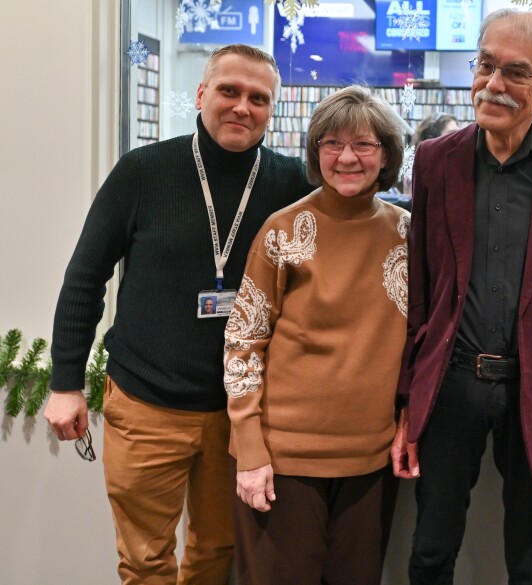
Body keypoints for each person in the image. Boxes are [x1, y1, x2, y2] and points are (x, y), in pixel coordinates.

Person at [44, 44, 312, 584]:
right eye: (229, 91)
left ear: (272, 110)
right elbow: (84, 277)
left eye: (258, 98)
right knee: (145, 559)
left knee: (217, 551)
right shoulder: (142, 172)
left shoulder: (291, 184)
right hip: (147, 405)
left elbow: (358, 224)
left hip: (239, 416)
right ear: (201, 95)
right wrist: (66, 382)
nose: (242, 106)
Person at [392, 8, 532, 584]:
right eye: (485, 66)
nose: (492, 85)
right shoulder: (436, 161)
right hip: (449, 388)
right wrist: (406, 405)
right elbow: (419, 294)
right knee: (429, 551)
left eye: (514, 72)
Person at [224, 85, 407, 585]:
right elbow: (243, 343)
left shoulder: (410, 235)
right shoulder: (283, 231)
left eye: (364, 144)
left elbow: (421, 344)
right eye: (331, 143)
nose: (347, 157)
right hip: (282, 461)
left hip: (370, 459)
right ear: (315, 152)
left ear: (386, 154)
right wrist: (251, 450)